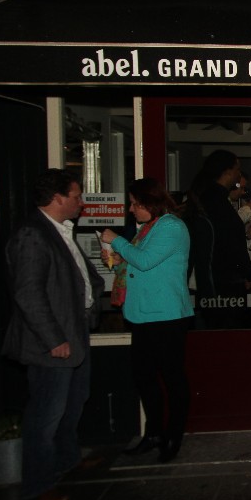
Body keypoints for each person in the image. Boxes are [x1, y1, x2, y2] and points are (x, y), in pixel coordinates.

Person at [1, 169, 104, 500]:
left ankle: (67, 459)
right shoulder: (33, 234)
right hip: (53, 341)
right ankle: (38, 483)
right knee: (46, 413)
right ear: (58, 198)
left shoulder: (60, 230)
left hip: (74, 331)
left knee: (73, 402)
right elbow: (28, 293)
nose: (81, 201)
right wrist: (53, 339)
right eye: (76, 195)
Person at [101, 178, 194, 463]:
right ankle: (153, 433)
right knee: (144, 378)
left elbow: (145, 260)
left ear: (151, 203)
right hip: (142, 315)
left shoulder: (171, 227)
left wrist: (115, 240)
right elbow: (137, 262)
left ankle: (173, 436)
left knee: (172, 378)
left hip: (166, 316)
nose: (131, 209)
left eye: (135, 204)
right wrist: (119, 259)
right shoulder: (148, 228)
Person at [186, 149, 251, 328]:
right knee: (226, 335)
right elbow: (229, 243)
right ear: (227, 171)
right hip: (222, 286)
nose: (239, 174)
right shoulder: (216, 202)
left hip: (215, 283)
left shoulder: (209, 198)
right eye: (237, 169)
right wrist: (249, 271)